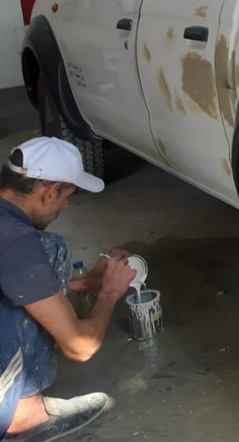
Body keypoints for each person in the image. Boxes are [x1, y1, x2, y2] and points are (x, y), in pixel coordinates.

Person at [0, 137, 135, 441]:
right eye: (66, 196)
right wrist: (109, 293)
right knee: (49, 249)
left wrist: (84, 284)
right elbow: (80, 347)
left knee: (43, 256)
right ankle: (26, 418)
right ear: (50, 192)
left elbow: (11, 278)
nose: (65, 205)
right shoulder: (16, 242)